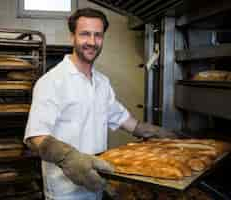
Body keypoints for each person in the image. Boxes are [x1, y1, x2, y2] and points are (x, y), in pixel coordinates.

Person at [24, 7, 176, 200]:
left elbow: (127, 122)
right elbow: (35, 137)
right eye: (85, 34)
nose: (92, 42)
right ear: (72, 37)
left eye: (98, 35)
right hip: (65, 192)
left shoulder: (102, 82)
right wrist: (68, 157)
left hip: (97, 185)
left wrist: (158, 133)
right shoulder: (52, 82)